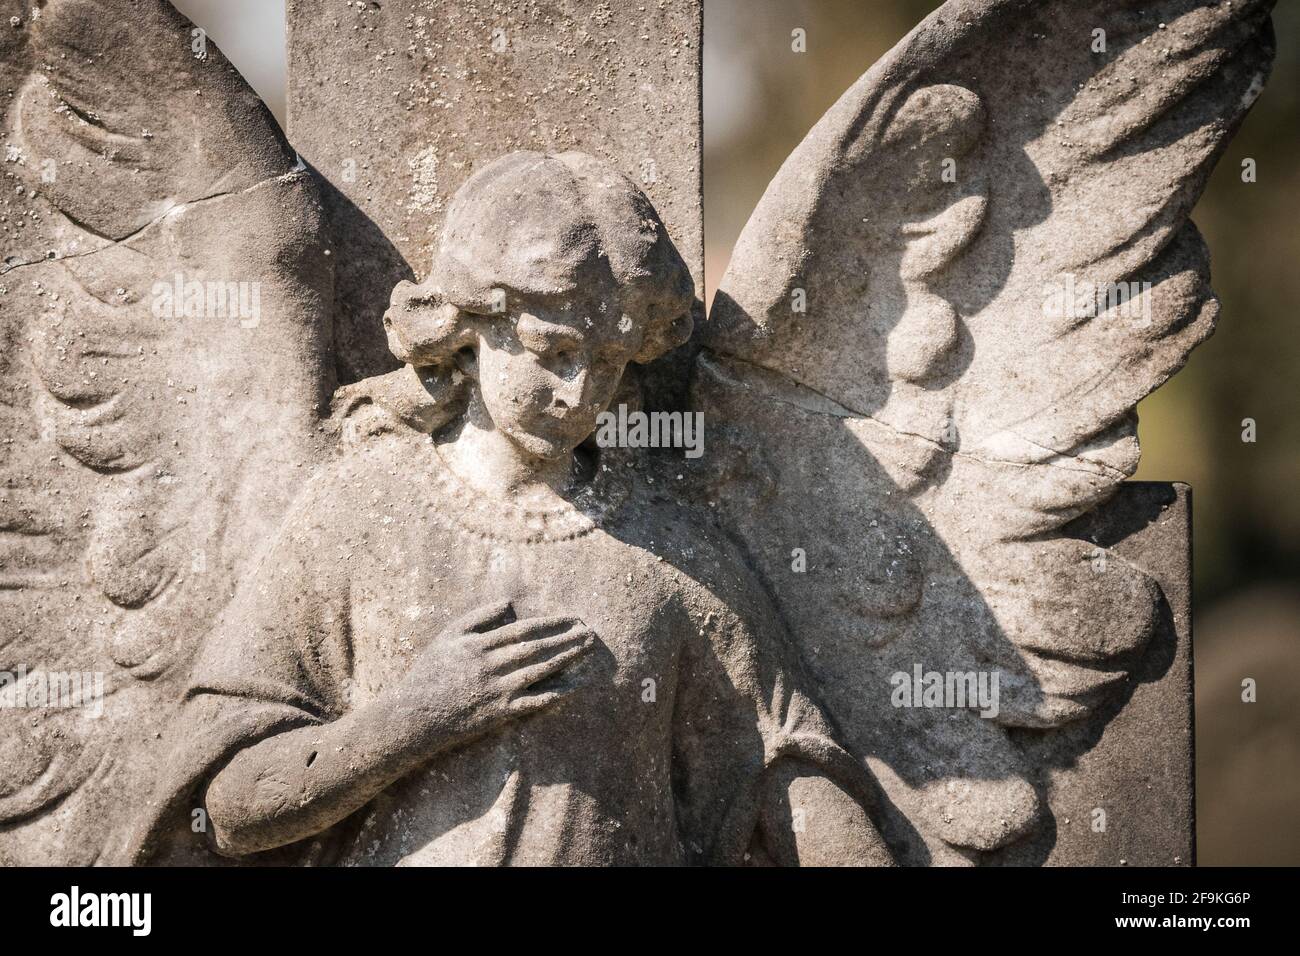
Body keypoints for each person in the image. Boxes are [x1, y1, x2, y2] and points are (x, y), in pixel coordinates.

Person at [123, 151, 893, 866]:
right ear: (470, 324)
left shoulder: (674, 552)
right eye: (554, 352)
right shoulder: (358, 514)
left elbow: (789, 769)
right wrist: (420, 716)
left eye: (610, 360)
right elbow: (232, 801)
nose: (579, 391)